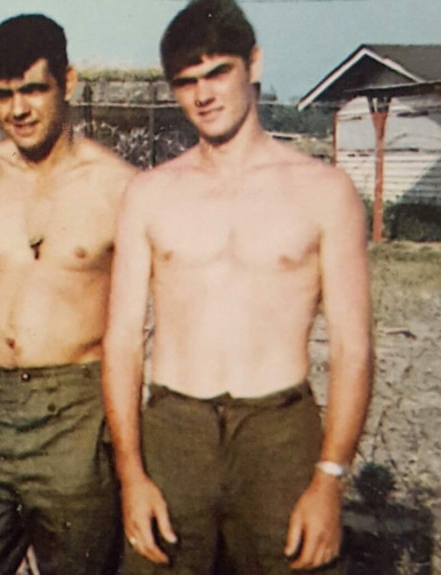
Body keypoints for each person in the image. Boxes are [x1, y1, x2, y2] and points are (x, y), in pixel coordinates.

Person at [102, 1, 373, 573]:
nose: (203, 95)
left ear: (253, 63)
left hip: (278, 432)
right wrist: (132, 474)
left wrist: (329, 479)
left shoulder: (324, 191)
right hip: (176, 430)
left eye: (217, 72)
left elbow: (353, 348)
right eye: (186, 82)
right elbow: (122, 342)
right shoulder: (149, 194)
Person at [0, 13, 138, 575]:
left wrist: (123, 429)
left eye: (33, 90)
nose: (17, 110)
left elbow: (144, 319)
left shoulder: (118, 187)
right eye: (2, 95)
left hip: (76, 413)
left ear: (66, 82)